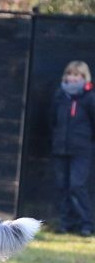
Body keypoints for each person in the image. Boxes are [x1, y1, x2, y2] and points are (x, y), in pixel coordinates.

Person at [50, 61, 95, 236]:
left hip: (81, 150)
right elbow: (52, 121)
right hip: (60, 148)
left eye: (77, 75)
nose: (73, 78)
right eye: (70, 74)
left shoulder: (90, 97)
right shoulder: (60, 95)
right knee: (62, 186)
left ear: (84, 77)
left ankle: (86, 224)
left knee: (77, 185)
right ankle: (65, 223)